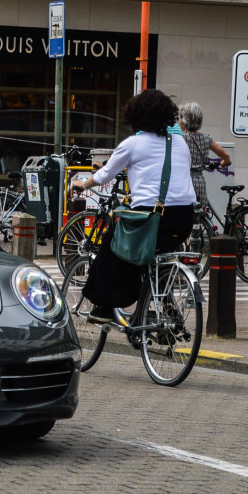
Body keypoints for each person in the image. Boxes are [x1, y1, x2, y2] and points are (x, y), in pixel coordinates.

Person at [70, 89, 198, 322]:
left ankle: (104, 308)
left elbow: (104, 176)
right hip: (184, 218)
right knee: (145, 253)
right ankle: (164, 300)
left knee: (114, 243)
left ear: (136, 116)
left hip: (151, 217)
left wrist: (82, 184)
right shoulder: (179, 142)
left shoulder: (133, 143)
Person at [177, 101, 232, 208]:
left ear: (183, 121)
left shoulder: (180, 138)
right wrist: (223, 163)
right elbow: (226, 155)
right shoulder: (206, 139)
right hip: (199, 182)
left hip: (184, 181)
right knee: (200, 216)